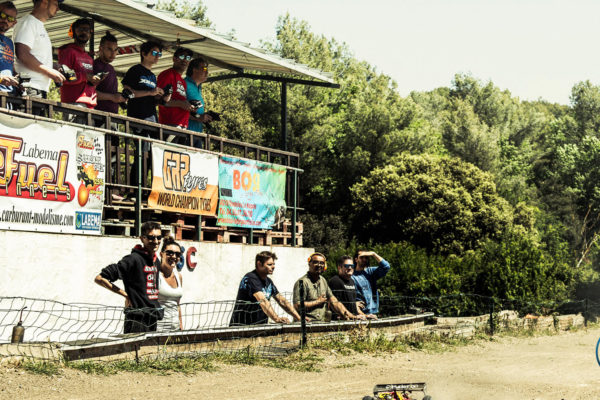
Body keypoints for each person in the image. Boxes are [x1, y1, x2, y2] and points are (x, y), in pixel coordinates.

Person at [94, 221, 163, 333]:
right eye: (151, 237)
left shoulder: (156, 261)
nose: (156, 241)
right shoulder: (132, 259)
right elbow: (100, 278)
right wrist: (126, 295)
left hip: (152, 317)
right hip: (136, 318)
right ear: (142, 239)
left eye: (159, 237)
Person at [230, 251, 301, 326]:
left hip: (259, 327)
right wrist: (276, 318)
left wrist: (299, 318)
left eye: (274, 264)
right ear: (259, 264)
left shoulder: (269, 281)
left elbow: (282, 301)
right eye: (269, 264)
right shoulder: (250, 278)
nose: (273, 267)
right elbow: (263, 301)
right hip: (241, 327)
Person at [14, 0, 65, 100]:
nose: (58, 8)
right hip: (29, 88)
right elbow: (22, 53)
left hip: (37, 89)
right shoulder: (29, 22)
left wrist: (52, 66)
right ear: (44, 2)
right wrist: (49, 71)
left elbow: (34, 55)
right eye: (56, 4)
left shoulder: (38, 24)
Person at [293, 252, 358, 322]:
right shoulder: (302, 282)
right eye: (316, 262)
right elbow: (297, 305)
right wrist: (317, 302)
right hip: (306, 324)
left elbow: (334, 301)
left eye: (322, 263)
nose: (319, 265)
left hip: (321, 323)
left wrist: (349, 315)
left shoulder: (323, 280)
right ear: (309, 264)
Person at [121, 40, 168, 125]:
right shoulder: (135, 70)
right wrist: (150, 92)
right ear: (143, 54)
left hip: (152, 118)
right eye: (154, 53)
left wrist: (162, 96)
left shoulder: (153, 76)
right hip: (137, 117)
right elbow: (127, 93)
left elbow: (153, 100)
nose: (157, 56)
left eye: (159, 54)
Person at [57, 18, 100, 108]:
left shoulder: (89, 57)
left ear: (90, 33)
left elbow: (86, 80)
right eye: (80, 29)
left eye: (86, 30)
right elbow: (64, 76)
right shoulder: (68, 51)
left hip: (89, 103)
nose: (83, 32)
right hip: (73, 103)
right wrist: (85, 77)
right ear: (73, 32)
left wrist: (94, 80)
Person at [157, 47, 194, 139]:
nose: (185, 60)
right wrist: (181, 104)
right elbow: (160, 100)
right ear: (174, 59)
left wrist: (189, 106)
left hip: (182, 126)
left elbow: (180, 101)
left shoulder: (183, 81)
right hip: (169, 124)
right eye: (182, 56)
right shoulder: (167, 74)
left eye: (188, 58)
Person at [93, 31, 125, 115]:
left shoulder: (111, 69)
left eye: (115, 50)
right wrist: (112, 97)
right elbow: (90, 92)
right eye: (109, 49)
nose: (113, 53)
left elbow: (110, 93)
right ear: (100, 48)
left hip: (113, 115)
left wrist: (119, 97)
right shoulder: (94, 66)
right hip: (98, 116)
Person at [352, 250, 391, 318]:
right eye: (362, 257)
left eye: (366, 257)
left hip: (373, 312)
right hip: (359, 313)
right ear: (356, 259)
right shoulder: (352, 275)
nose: (364, 259)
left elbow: (386, 267)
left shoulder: (370, 272)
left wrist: (373, 254)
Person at [328, 255, 368, 320]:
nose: (350, 268)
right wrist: (353, 317)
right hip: (341, 321)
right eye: (346, 266)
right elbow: (336, 304)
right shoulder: (335, 281)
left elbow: (353, 305)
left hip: (353, 319)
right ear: (339, 268)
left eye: (352, 266)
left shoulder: (352, 281)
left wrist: (365, 316)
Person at [185, 57, 212, 148]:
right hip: (185, 134)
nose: (207, 72)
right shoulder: (184, 84)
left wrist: (205, 116)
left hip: (197, 135)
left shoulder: (199, 87)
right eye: (204, 68)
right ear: (194, 69)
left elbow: (195, 112)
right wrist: (199, 117)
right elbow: (178, 109)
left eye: (207, 69)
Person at [157, 236, 183, 331]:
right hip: (158, 329)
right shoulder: (156, 275)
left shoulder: (179, 276)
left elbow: (178, 305)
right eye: (169, 253)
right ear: (161, 254)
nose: (174, 257)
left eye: (177, 254)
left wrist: (181, 326)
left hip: (175, 328)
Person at [0, 1, 19, 96]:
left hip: (9, 96)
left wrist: (17, 78)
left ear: (14, 23)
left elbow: (7, 67)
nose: (5, 20)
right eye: (2, 15)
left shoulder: (9, 43)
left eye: (10, 18)